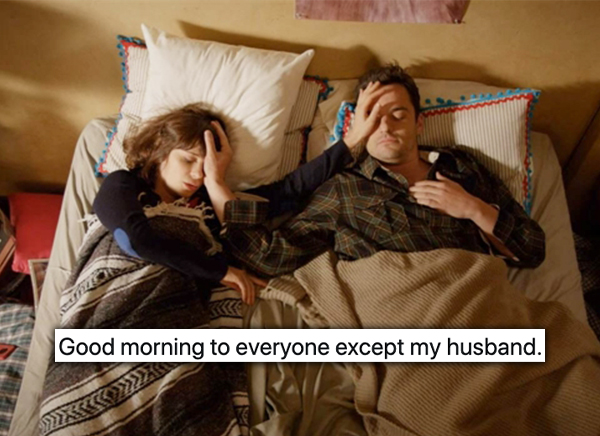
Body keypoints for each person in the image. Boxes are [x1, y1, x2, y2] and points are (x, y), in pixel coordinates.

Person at [223, 64, 546, 277]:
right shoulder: (344, 189)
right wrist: (216, 185)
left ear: (419, 123)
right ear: (359, 125)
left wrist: (474, 209)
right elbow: (268, 257)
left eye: (398, 115)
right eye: (373, 117)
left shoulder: (460, 165)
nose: (386, 126)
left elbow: (532, 251)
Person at [93, 103, 378, 304]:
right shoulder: (123, 185)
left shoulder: (208, 206)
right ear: (159, 148)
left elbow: (290, 190)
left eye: (207, 166)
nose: (197, 174)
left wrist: (216, 181)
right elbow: (135, 241)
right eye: (189, 160)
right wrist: (219, 271)